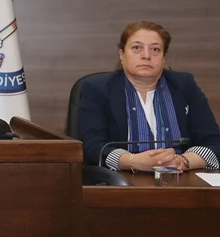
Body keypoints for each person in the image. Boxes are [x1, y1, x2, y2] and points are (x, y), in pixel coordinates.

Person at [79, 21, 220, 173]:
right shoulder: (97, 89)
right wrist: (133, 161)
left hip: (180, 178)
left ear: (163, 58)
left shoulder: (184, 86)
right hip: (121, 180)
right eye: (136, 48)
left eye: (155, 49)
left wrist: (183, 161)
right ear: (122, 54)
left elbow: (213, 142)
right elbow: (93, 147)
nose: (146, 56)